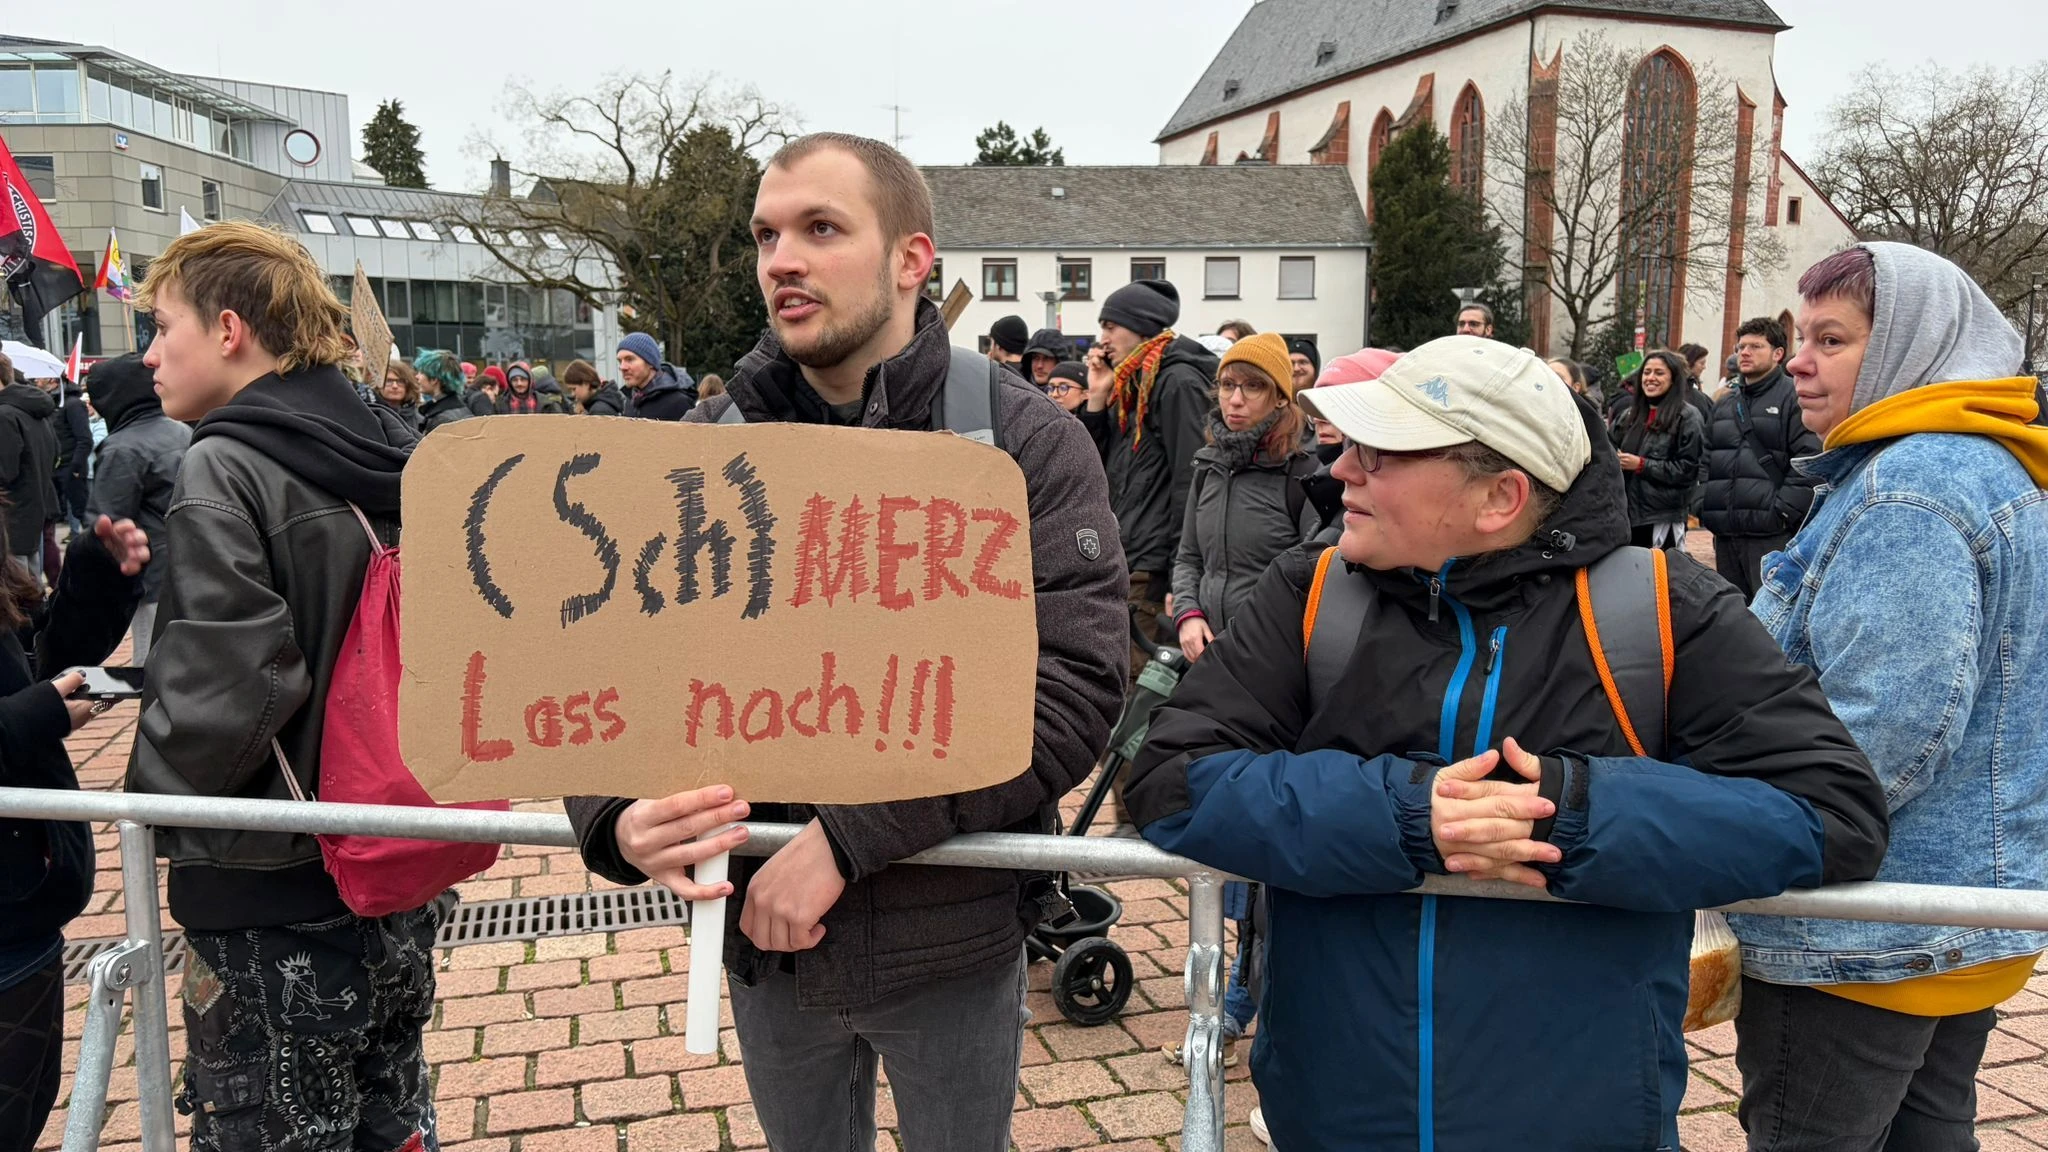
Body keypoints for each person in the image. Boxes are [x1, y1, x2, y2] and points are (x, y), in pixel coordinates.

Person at [1124, 333, 1889, 1152]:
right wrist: (1403, 816)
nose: (1339, 468)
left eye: (1381, 453)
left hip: (1579, 1124)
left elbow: (1834, 813)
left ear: (1500, 497)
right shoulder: (1311, 593)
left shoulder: (1662, 610)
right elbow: (1170, 777)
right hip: (1333, 1115)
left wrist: (1572, 815)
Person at [565, 132, 1126, 1152]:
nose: (782, 259)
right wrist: (615, 815)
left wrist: (849, 838)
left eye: (821, 229)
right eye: (766, 235)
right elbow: (604, 669)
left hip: (949, 939)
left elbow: (1073, 691)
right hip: (763, 947)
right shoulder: (697, 450)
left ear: (911, 258)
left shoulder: (1022, 440)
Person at [1729, 243, 2048, 1151]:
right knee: (1930, 1131)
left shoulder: (1908, 491)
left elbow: (1885, 735)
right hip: (1954, 908)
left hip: (1864, 931)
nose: (1800, 361)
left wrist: (1742, 834)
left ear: (1914, 346)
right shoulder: (1990, 469)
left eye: (1831, 340)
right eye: (1799, 337)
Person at [123, 220, 432, 1152]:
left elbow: (233, 688)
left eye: (161, 327)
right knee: (390, 1111)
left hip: (267, 877)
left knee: (272, 1123)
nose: (148, 356)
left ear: (228, 329)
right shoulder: (397, 448)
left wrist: (150, 807)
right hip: (398, 853)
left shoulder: (225, 464)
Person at [0, 511, 150, 1152]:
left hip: (26, 902)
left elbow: (39, 662)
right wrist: (29, 719)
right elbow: (29, 702)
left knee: (27, 1110)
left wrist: (94, 576)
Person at [1078, 278, 1219, 671]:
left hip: (1152, 565)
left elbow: (1190, 481)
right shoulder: (1132, 382)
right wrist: (1097, 397)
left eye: (1110, 326)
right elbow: (1093, 466)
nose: (1103, 339)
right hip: (1128, 553)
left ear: (1141, 327)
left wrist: (1178, 577)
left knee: (1136, 680)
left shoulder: (1176, 382)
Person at [1172, 332, 1318, 662]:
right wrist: (1188, 614)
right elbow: (1189, 558)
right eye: (1227, 385)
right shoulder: (1208, 466)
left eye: (1253, 386)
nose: (1235, 399)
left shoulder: (1302, 472)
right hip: (1209, 652)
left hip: (1272, 657)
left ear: (1280, 397)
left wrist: (1263, 638)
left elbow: (1313, 579)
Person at [84, 353, 192, 666]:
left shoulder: (123, 448)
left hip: (152, 575)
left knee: (150, 663)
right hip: (189, 563)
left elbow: (106, 523)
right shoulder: (180, 430)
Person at [1702, 316, 1820, 599]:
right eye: (1741, 347)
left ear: (1778, 354)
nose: (1744, 353)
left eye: (1755, 346)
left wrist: (1782, 512)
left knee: (1771, 613)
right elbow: (1705, 458)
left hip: (1771, 535)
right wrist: (1703, 503)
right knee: (1733, 613)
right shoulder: (1726, 404)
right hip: (1726, 533)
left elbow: (1809, 458)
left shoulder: (1794, 398)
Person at [1611, 349, 1706, 551]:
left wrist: (1641, 465)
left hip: (1662, 516)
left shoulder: (1687, 417)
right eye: (1646, 372)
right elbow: (1607, 445)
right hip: (1626, 514)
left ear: (1673, 379)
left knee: (1659, 570)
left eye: (1659, 373)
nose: (1651, 378)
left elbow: (1688, 470)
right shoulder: (1629, 415)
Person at [0, 360, 58, 584]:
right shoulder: (34, 411)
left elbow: (5, 471)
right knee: (31, 586)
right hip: (31, 513)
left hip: (11, 519)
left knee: (18, 589)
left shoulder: (5, 415)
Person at [616, 332, 697, 419]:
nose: (622, 367)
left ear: (650, 362)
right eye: (620, 361)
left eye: (630, 359)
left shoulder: (678, 403)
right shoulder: (630, 402)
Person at [53, 373, 91, 536]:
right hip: (56, 467)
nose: (37, 381)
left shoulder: (73, 404)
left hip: (70, 467)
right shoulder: (54, 404)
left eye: (41, 378)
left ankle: (94, 545)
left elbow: (85, 440)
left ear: (53, 380)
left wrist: (75, 467)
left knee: (82, 512)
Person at [415, 349, 474, 433]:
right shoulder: (460, 408)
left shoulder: (442, 420)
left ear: (434, 379)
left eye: (421, 372)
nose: (417, 377)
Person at [562, 358, 626, 415]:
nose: (572, 394)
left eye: (574, 389)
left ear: (586, 384)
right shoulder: (604, 401)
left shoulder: (599, 410)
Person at [375, 360, 423, 432]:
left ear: (408, 385)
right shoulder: (371, 414)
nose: (395, 386)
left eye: (400, 381)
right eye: (389, 381)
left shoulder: (420, 420)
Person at [494, 363, 560, 414]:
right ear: (509, 382)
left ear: (530, 381)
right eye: (514, 380)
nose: (519, 383)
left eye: (523, 379)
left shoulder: (548, 404)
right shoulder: (499, 405)